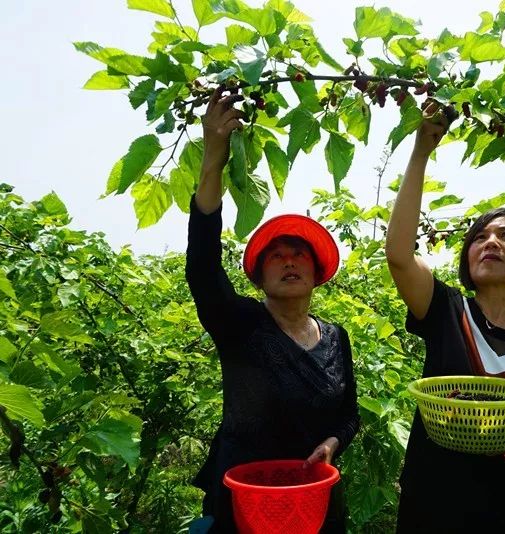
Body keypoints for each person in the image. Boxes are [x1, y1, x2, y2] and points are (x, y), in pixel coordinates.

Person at [385, 103, 505, 533]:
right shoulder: (445, 311)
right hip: (432, 509)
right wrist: (421, 151)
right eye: (479, 237)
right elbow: (399, 255)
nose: (490, 242)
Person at [185, 86, 360, 533]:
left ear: (317, 271)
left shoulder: (336, 337)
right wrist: (214, 160)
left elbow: (350, 414)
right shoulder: (241, 325)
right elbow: (203, 267)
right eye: (276, 256)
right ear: (258, 277)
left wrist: (334, 441)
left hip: (312, 501)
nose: (288, 260)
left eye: (299, 254)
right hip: (244, 504)